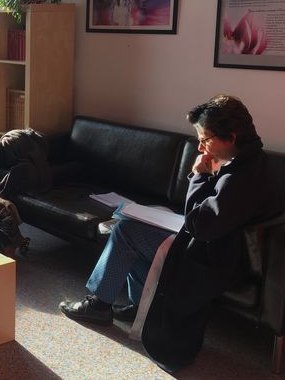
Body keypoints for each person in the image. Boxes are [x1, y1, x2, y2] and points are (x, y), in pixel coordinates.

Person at [59, 94, 284, 369]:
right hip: (219, 245)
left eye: (205, 138)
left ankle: (98, 305)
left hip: (217, 259)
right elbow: (213, 216)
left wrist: (198, 176)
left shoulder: (241, 177)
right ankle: (143, 303)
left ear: (232, 136)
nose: (200, 147)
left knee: (126, 232)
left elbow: (200, 225)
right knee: (132, 233)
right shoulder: (250, 161)